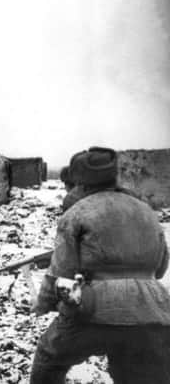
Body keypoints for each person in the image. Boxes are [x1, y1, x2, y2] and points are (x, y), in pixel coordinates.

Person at [30, 147, 170, 384]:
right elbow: (161, 267)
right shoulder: (146, 210)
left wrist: (44, 303)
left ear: (79, 180)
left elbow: (60, 273)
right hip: (154, 311)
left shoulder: (77, 213)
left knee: (49, 358)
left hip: (94, 310)